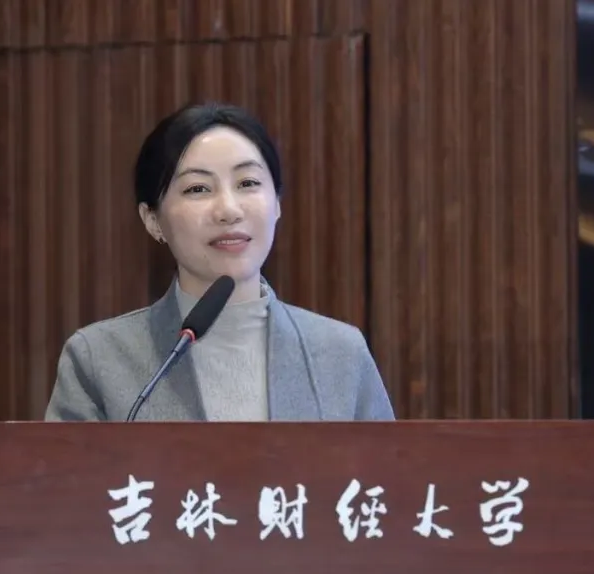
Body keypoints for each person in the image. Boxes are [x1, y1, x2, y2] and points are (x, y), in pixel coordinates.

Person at [44, 102, 395, 423]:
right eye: (198, 189)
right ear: (152, 220)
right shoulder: (99, 359)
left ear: (277, 204)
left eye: (248, 183)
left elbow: (387, 473)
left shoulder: (341, 354)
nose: (228, 210)